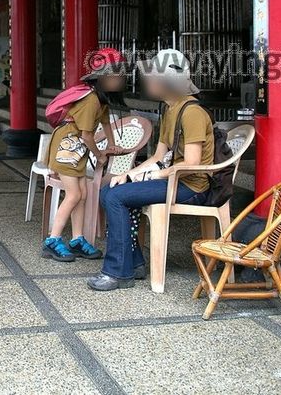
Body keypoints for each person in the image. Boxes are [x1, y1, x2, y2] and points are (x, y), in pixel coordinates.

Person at [87, 48, 215, 291]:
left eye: (153, 76)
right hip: (174, 180)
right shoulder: (170, 109)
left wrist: (154, 175)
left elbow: (192, 163)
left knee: (115, 197)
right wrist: (130, 174)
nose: (149, 81)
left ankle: (118, 272)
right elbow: (158, 156)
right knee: (109, 190)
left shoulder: (192, 112)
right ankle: (133, 263)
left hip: (191, 186)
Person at [41, 47, 127, 263]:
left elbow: (106, 123)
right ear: (103, 78)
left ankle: (77, 239)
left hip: (75, 150)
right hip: (66, 149)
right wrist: (100, 155)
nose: (120, 79)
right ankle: (52, 240)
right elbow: (88, 136)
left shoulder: (101, 100)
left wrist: (113, 146)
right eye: (116, 75)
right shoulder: (91, 101)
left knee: (82, 194)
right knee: (73, 195)